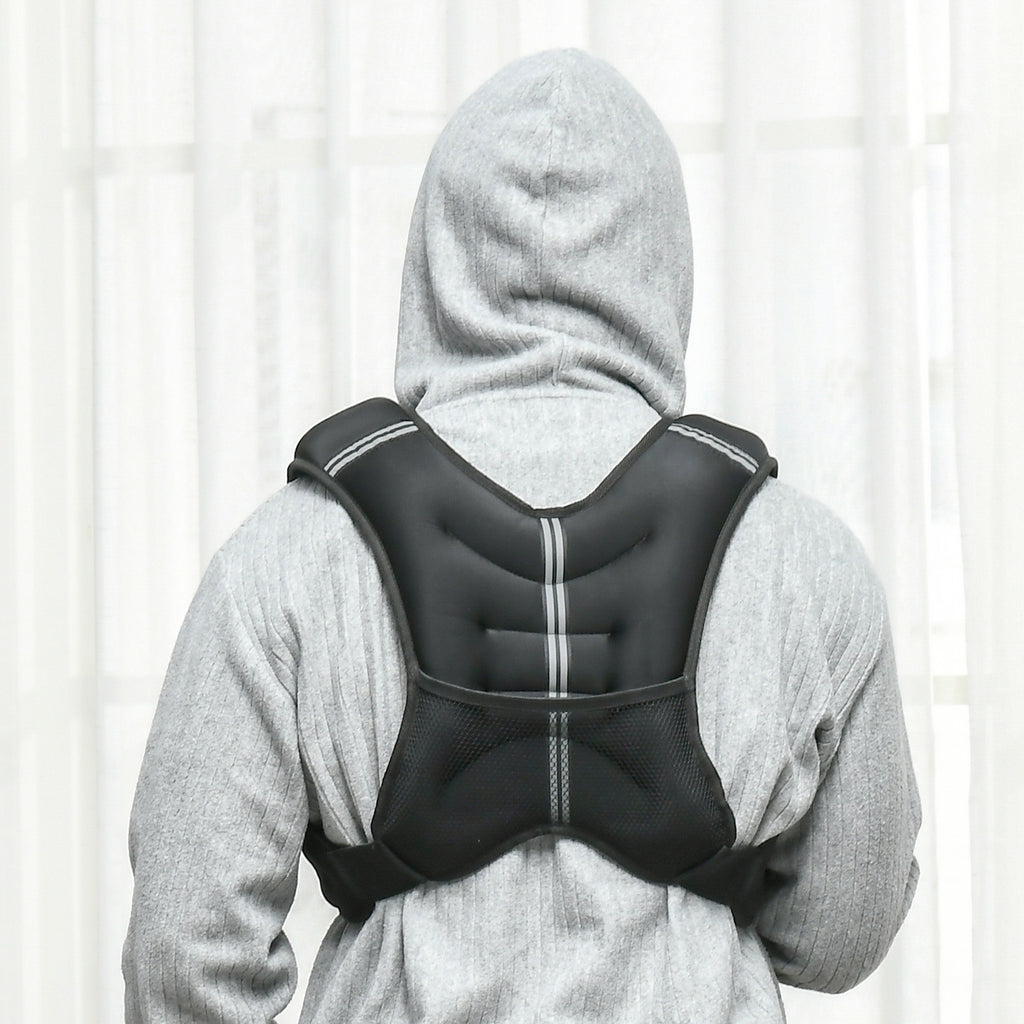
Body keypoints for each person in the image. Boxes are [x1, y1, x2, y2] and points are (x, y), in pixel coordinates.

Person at [123, 49, 920, 1023]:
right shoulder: (805, 564)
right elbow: (838, 934)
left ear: (437, 250)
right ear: (664, 257)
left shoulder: (287, 559)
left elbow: (184, 954)